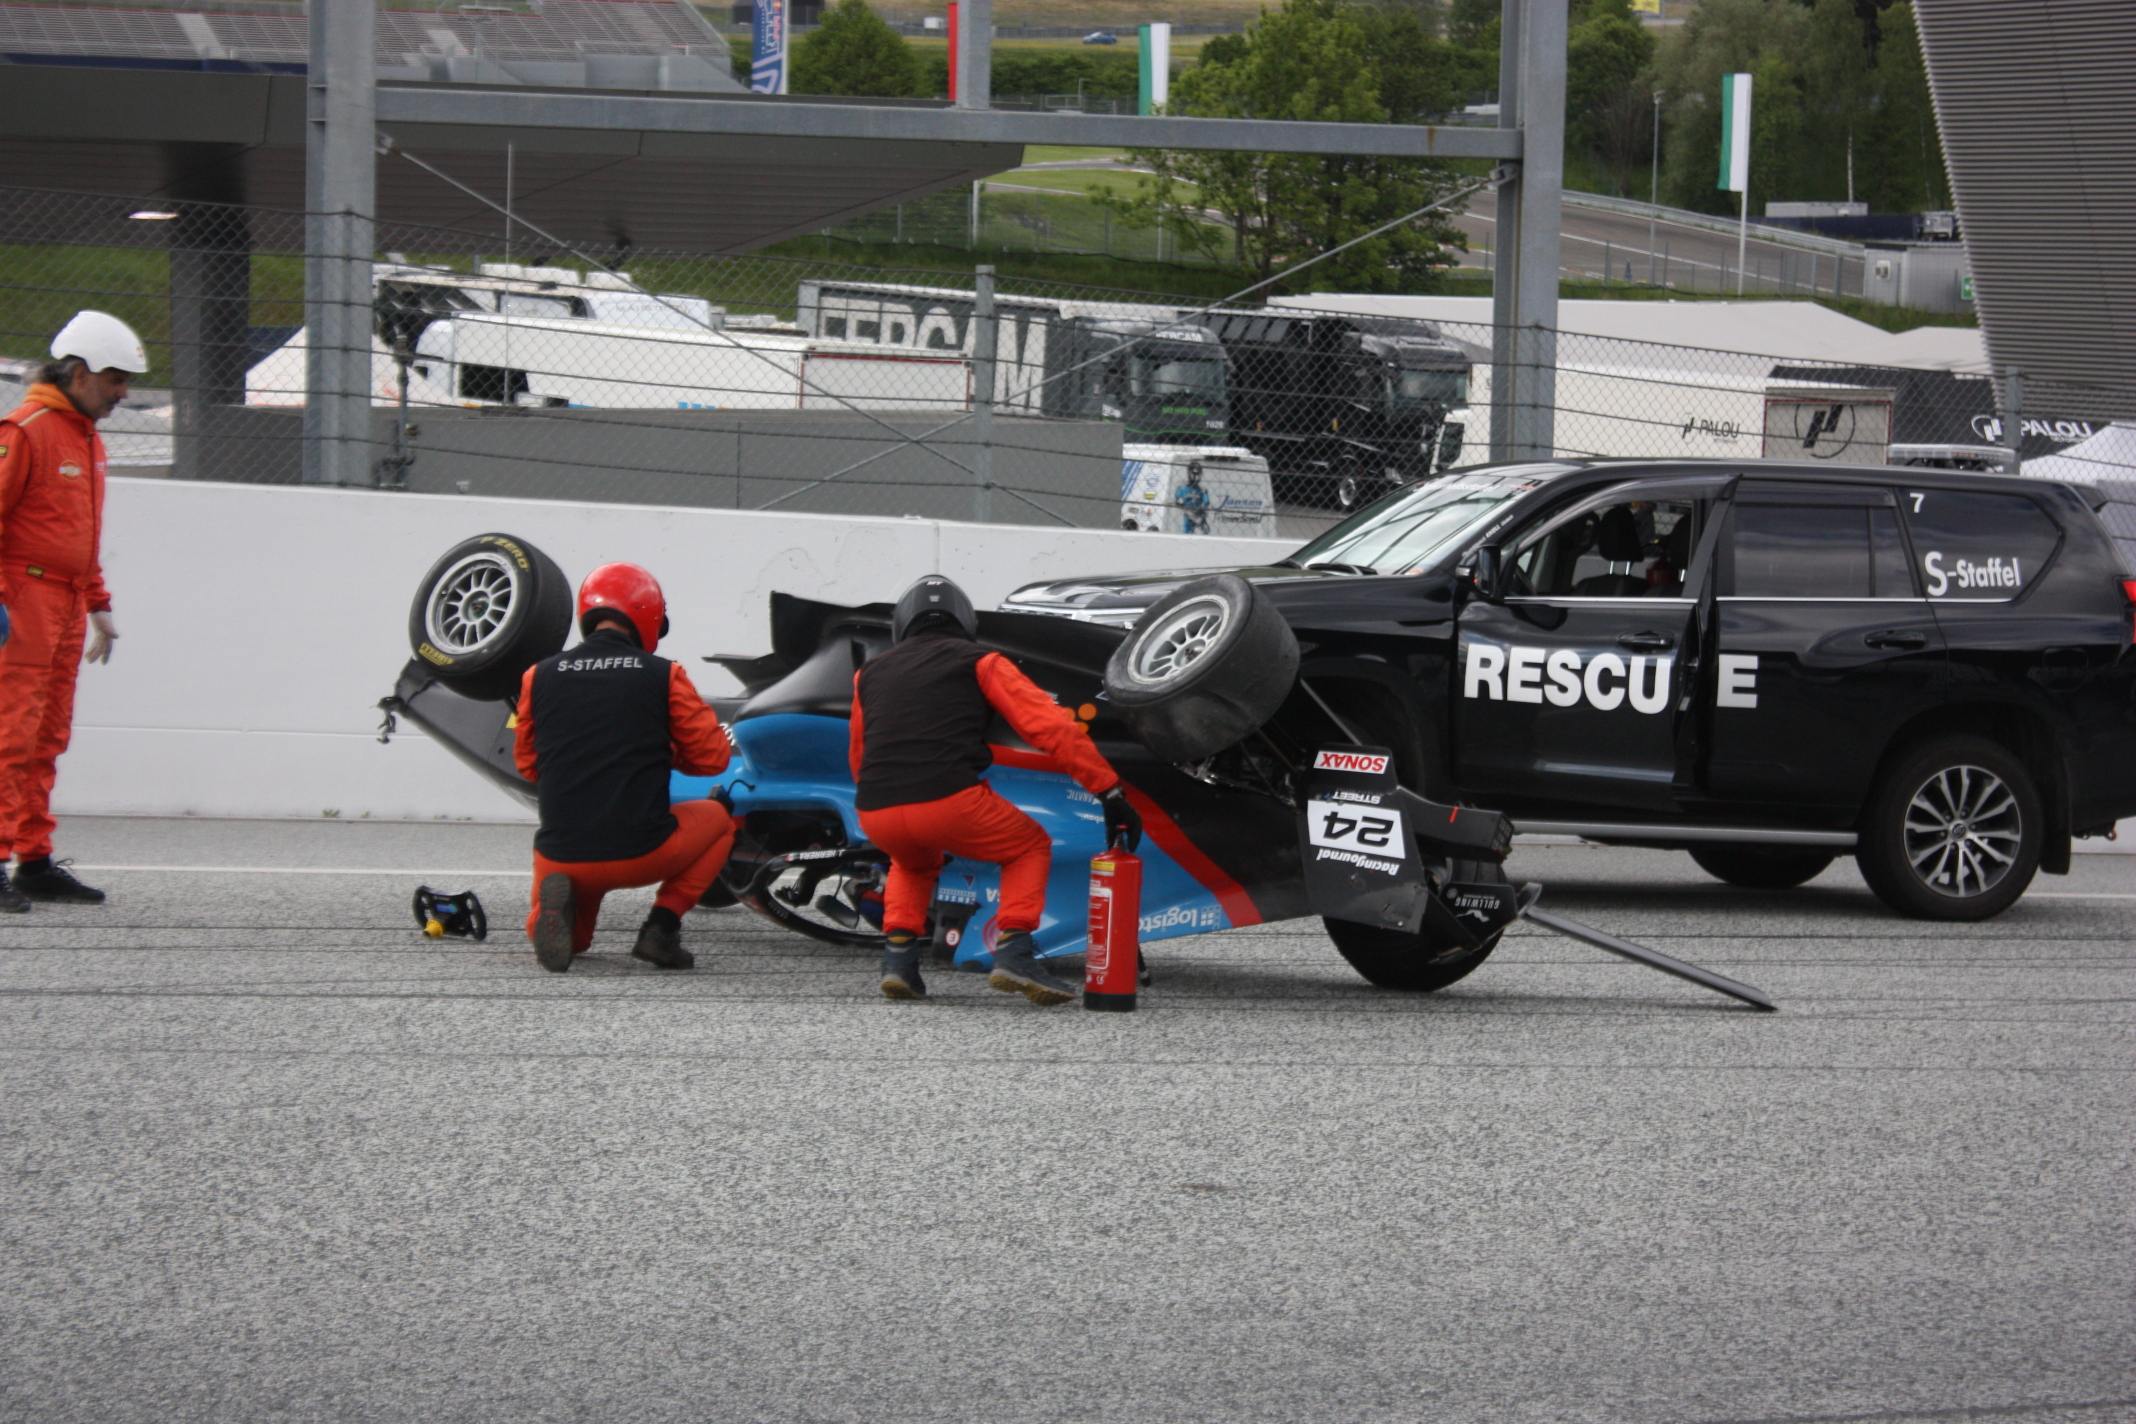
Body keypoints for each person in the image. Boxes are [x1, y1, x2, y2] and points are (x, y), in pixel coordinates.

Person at [849, 574, 1141, 1005]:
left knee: (912, 862)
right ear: (965, 622)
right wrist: (1108, 790)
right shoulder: (981, 662)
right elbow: (1051, 728)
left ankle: (899, 963)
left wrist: (882, 797)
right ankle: (1015, 952)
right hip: (947, 798)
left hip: (877, 809)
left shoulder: (868, 675)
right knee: (1027, 847)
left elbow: (859, 752)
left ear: (903, 625)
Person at [513, 562, 736, 973]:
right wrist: (661, 751)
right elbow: (713, 758)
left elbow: (528, 767)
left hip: (561, 854)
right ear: (648, 616)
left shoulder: (537, 677)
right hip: (642, 850)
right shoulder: (664, 675)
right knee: (722, 820)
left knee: (576, 942)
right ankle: (661, 928)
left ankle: (549, 913)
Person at [0, 311, 148, 912]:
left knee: (46, 737)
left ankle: (32, 861)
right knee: (10, 734)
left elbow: (78, 535)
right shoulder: (26, 430)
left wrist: (98, 604)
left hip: (61, 602)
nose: (123, 393)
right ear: (79, 373)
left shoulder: (85, 438)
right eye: (115, 379)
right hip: (22, 599)